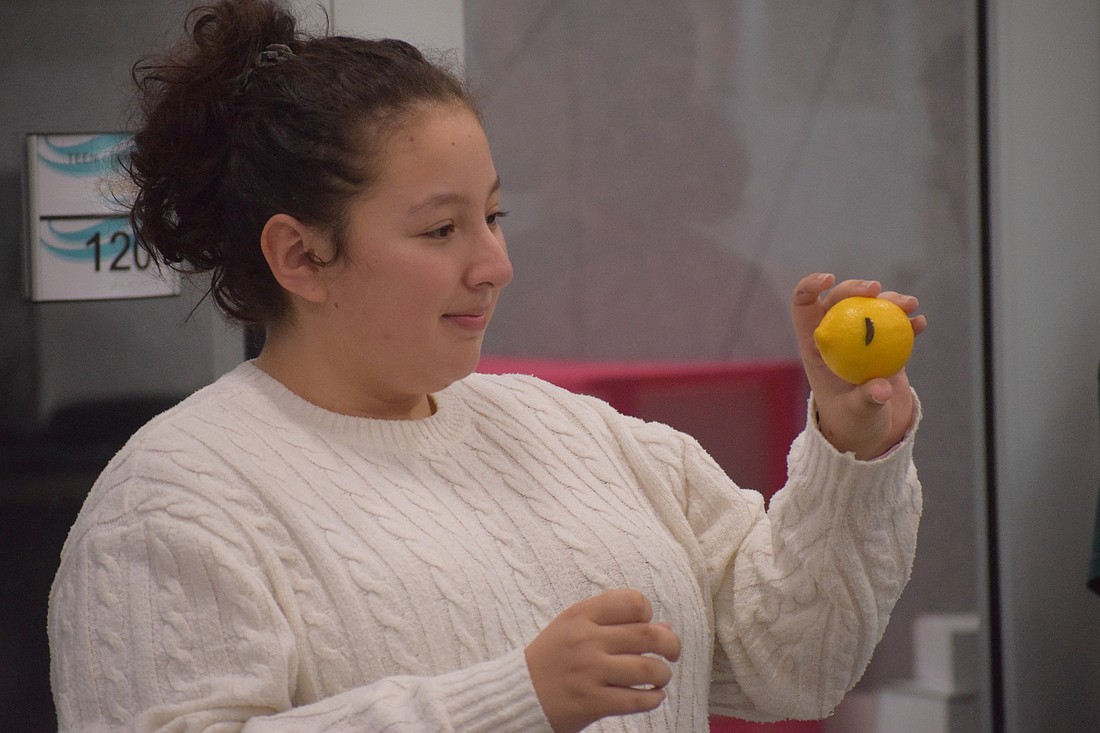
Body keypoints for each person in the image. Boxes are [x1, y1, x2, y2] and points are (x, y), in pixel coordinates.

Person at [47, 1, 926, 731]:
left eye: (494, 217)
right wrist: (512, 698)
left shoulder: (578, 435)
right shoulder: (173, 501)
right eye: (441, 229)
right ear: (302, 256)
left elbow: (792, 666)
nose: (495, 263)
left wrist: (850, 450)